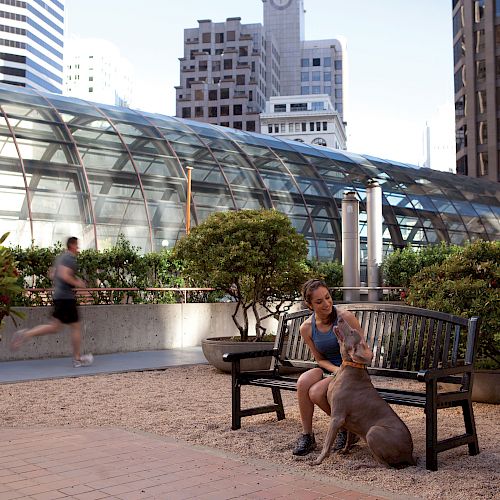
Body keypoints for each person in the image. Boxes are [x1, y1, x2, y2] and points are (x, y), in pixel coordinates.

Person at [292, 278, 364, 456]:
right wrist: (335, 370)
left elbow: (362, 351)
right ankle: (307, 435)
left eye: (328, 297)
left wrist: (343, 370)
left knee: (316, 392)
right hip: (333, 369)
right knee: (303, 381)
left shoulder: (345, 318)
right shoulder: (307, 328)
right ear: (310, 305)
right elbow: (319, 359)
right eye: (319, 301)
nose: (326, 304)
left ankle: (346, 429)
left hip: (352, 369)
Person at [10, 236, 93, 368]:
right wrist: (79, 283)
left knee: (55, 327)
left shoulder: (60, 258)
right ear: (72, 245)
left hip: (59, 296)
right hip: (66, 298)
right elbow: (65, 275)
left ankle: (25, 334)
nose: (78, 248)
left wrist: (67, 281)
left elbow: (52, 274)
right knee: (76, 327)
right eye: (77, 245)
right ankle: (77, 359)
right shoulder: (70, 258)